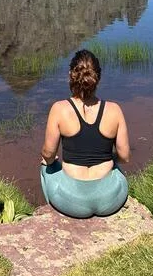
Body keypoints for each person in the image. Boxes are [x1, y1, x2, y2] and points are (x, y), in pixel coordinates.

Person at [40, 48, 130, 218]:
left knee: (46, 166)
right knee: (115, 166)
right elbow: (125, 157)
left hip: (71, 201)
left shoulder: (59, 109)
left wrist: (50, 162)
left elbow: (48, 153)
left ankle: (53, 213)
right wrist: (110, 159)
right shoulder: (114, 110)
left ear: (70, 75)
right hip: (110, 200)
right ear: (98, 78)